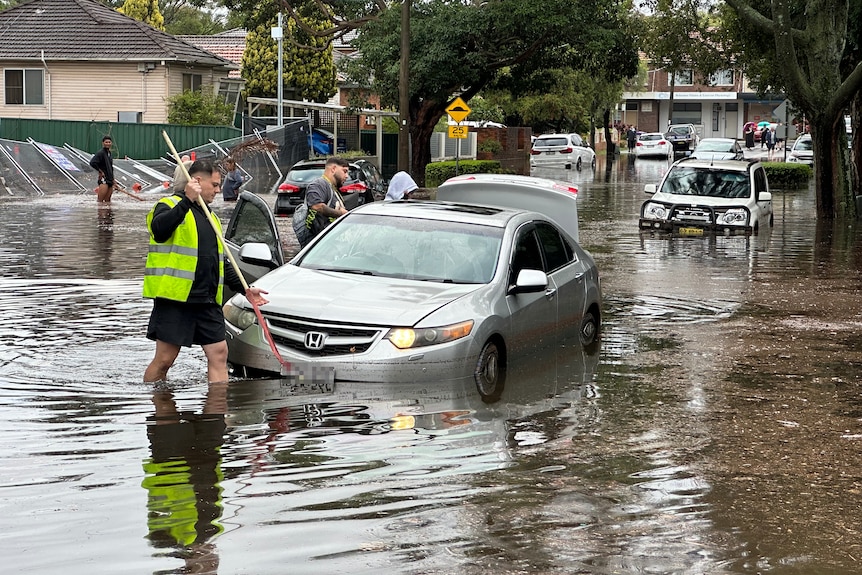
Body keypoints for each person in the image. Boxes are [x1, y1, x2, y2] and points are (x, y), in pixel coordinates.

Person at [143, 159, 268, 384]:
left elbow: (222, 263)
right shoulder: (168, 205)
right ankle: (156, 408)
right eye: (216, 185)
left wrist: (245, 289)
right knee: (165, 359)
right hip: (176, 298)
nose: (219, 190)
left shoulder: (211, 217)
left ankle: (216, 413)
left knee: (219, 354)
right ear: (198, 181)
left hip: (207, 300)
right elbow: (159, 230)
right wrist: (187, 200)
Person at [303, 156, 349, 244]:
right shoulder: (318, 184)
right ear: (333, 169)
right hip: (318, 245)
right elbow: (317, 206)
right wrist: (342, 214)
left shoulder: (332, 188)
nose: (347, 176)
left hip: (330, 243)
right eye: (345, 171)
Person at [90, 135, 116, 203]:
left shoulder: (109, 153)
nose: (108, 143)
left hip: (110, 179)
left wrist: (113, 179)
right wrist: (100, 171)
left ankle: (108, 213)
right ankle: (100, 213)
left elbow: (110, 167)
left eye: (109, 142)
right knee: (100, 201)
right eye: (106, 142)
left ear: (111, 143)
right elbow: (92, 162)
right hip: (104, 179)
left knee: (108, 201)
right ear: (103, 143)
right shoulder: (100, 153)